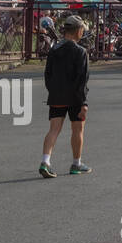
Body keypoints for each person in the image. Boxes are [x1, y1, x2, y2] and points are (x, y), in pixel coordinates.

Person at [40, 15, 92, 178]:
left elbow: (47, 74)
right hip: (75, 97)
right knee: (78, 129)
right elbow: (82, 79)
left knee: (54, 129)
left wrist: (53, 91)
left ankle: (45, 161)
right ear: (78, 30)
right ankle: (76, 164)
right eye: (82, 29)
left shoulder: (54, 50)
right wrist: (83, 102)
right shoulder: (80, 51)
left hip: (57, 96)